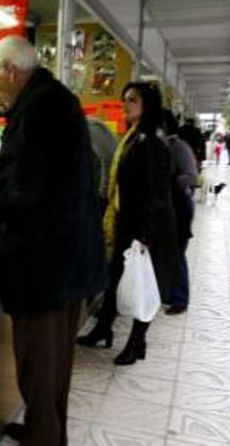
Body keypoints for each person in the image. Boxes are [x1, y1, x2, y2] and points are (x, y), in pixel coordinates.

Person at [0, 36, 105, 446]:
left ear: (10, 71)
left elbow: (21, 190)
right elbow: (36, 176)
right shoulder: (54, 101)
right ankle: (50, 431)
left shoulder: (39, 109)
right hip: (64, 258)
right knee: (56, 358)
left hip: (44, 264)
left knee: (37, 359)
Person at [76, 82, 178, 366]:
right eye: (125, 99)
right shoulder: (134, 137)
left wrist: (146, 235)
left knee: (142, 283)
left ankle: (137, 342)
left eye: (132, 100)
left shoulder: (153, 142)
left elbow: (158, 194)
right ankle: (103, 327)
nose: (126, 104)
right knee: (115, 278)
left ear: (148, 103)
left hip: (146, 228)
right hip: (126, 221)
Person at [162, 110, 197, 315]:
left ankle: (180, 299)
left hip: (179, 208)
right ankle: (168, 293)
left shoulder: (178, 146)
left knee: (177, 253)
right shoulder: (164, 145)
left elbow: (192, 177)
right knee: (168, 252)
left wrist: (171, 182)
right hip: (169, 206)